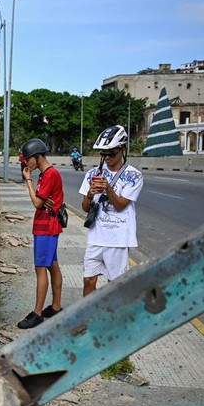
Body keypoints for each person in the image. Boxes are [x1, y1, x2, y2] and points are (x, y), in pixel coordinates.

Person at [79, 125, 144, 296]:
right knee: (88, 280)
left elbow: (121, 205)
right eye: (103, 153)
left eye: (111, 153)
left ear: (122, 150)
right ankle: (87, 318)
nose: (106, 157)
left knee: (114, 285)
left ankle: (111, 319)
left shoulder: (134, 176)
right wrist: (89, 193)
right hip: (96, 238)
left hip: (118, 240)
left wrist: (108, 188)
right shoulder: (93, 174)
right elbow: (85, 207)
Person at [17, 138, 65, 329]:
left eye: (28, 159)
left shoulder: (50, 174)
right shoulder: (46, 174)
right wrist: (40, 198)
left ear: (37, 157)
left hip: (46, 227)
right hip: (46, 225)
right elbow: (41, 201)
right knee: (53, 265)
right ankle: (56, 306)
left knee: (40, 269)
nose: (26, 163)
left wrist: (28, 181)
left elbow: (37, 203)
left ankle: (37, 313)